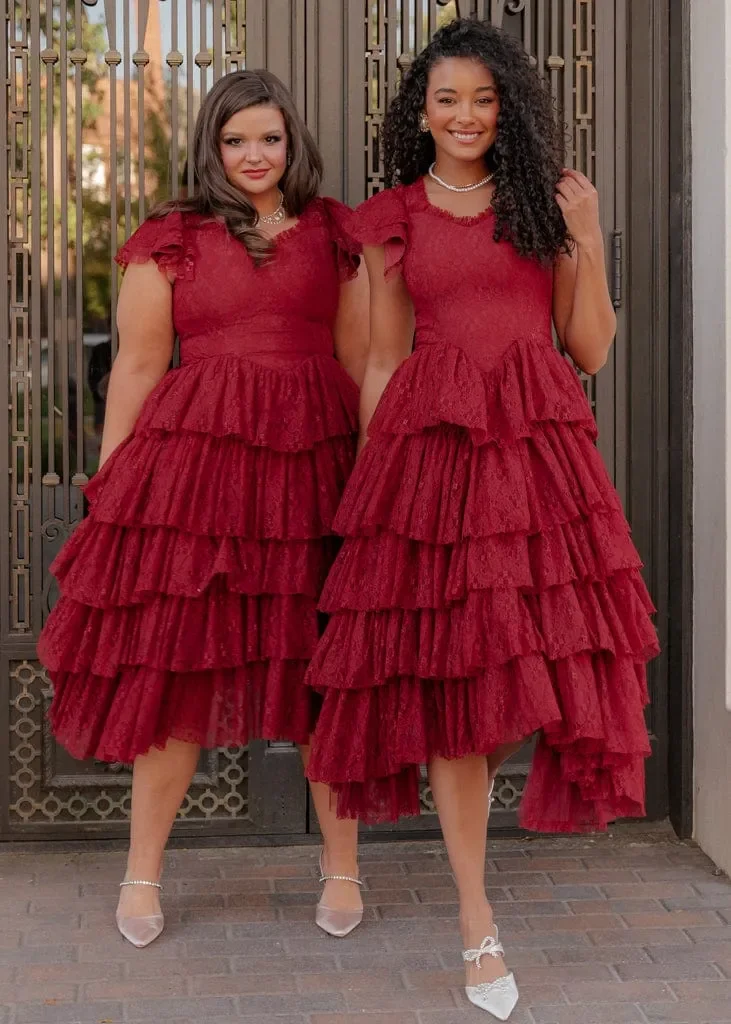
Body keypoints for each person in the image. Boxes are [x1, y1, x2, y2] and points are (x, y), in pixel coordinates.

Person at [304, 19, 658, 1020]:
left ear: (508, 110)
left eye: (483, 100)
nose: (464, 116)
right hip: (431, 466)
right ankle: (475, 917)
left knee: (514, 682)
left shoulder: (543, 209)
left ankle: (471, 880)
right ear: (419, 111)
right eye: (447, 99)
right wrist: (372, 493)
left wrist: (586, 238)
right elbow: (380, 358)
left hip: (536, 462)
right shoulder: (390, 220)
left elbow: (586, 349)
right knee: (458, 686)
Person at [38, 69, 369, 948]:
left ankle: (342, 865)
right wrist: (112, 486)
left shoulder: (337, 232)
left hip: (314, 464)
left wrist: (376, 478)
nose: (254, 155)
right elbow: (140, 368)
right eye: (235, 140)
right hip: (201, 477)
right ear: (211, 148)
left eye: (268, 137)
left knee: (321, 671)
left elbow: (359, 355)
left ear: (291, 140)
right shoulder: (172, 237)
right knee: (176, 670)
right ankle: (142, 873)